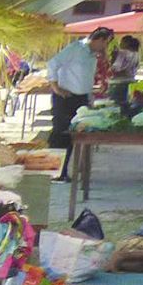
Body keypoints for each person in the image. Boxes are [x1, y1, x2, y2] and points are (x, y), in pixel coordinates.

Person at [46, 26, 111, 180]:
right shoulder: (76, 48)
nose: (105, 47)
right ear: (99, 40)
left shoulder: (92, 55)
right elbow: (52, 64)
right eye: (105, 43)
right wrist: (55, 86)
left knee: (73, 136)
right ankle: (54, 172)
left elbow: (87, 77)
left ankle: (63, 172)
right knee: (61, 134)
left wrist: (90, 99)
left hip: (81, 98)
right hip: (66, 97)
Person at [107, 34, 140, 111]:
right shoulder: (136, 54)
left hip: (118, 83)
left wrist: (112, 59)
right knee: (127, 105)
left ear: (125, 43)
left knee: (116, 107)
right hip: (131, 82)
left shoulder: (122, 53)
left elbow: (115, 69)